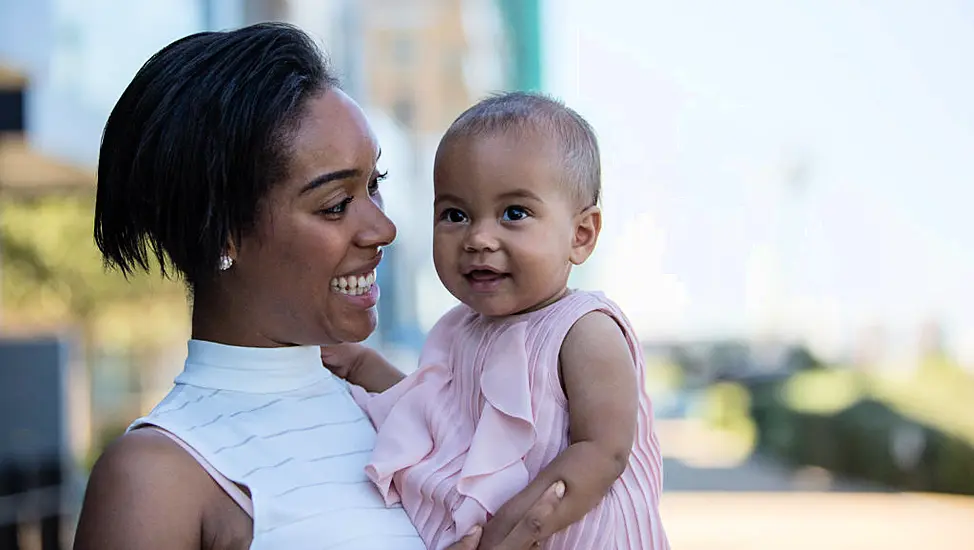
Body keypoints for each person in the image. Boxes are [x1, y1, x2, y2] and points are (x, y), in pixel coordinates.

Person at [74, 23, 565, 550]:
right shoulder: (156, 479)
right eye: (335, 205)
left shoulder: (394, 406)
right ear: (221, 233)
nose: (384, 229)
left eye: (375, 185)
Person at [321, 92, 671, 549]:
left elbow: (604, 451)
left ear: (581, 235)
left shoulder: (584, 330)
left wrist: (504, 536)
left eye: (514, 213)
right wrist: (359, 364)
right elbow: (431, 410)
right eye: (455, 215)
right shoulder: (459, 329)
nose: (479, 238)